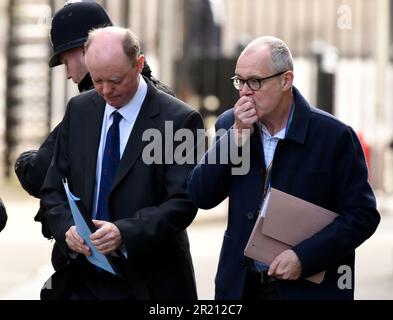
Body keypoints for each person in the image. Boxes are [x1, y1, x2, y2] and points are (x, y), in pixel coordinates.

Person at [187, 36, 380, 300]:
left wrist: (305, 257)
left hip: (306, 290)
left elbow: (362, 215)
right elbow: (201, 195)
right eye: (239, 81)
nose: (244, 91)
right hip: (241, 286)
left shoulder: (334, 136)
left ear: (286, 80)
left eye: (255, 81)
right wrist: (235, 139)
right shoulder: (230, 125)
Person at [40, 26, 203, 300]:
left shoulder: (179, 120)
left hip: (150, 281)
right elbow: (52, 190)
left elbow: (183, 202)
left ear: (138, 64)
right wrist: (68, 228)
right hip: (84, 280)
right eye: (98, 79)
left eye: (115, 80)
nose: (105, 90)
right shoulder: (79, 109)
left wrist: (124, 233)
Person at [14, 2, 174, 247]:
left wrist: (24, 160)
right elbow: (53, 187)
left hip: (144, 264)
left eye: (67, 62)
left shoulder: (95, 106)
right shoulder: (88, 107)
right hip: (92, 259)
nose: (68, 74)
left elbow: (38, 173)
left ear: (85, 50)